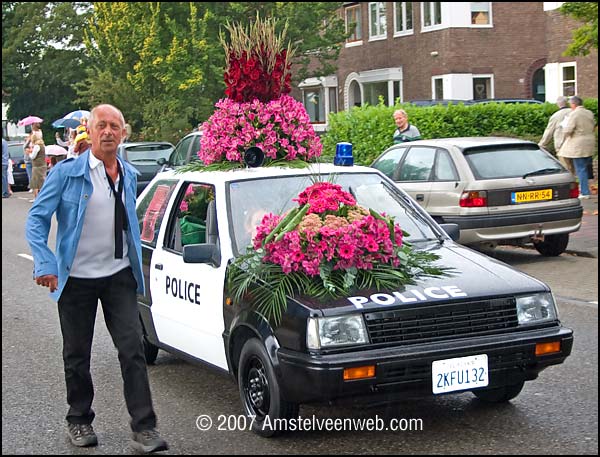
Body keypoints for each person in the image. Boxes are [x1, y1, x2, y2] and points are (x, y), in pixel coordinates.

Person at [25, 104, 168, 453]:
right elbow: (36, 220)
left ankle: (145, 428)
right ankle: (79, 421)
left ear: (123, 133)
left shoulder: (129, 174)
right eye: (101, 125)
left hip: (118, 275)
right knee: (77, 354)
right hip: (76, 279)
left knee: (133, 350)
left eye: (114, 126)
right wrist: (45, 262)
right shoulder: (67, 174)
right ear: (89, 130)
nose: (107, 132)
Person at [559, 96, 596, 199]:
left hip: (578, 145)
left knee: (580, 168)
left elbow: (568, 130)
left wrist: (564, 129)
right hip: (590, 143)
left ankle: (584, 192)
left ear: (573, 104)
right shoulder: (589, 113)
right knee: (586, 167)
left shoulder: (574, 114)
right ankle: (585, 189)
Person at [538, 96, 573, 174]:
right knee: (576, 167)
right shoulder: (574, 112)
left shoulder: (556, 116)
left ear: (558, 104)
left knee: (566, 167)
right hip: (574, 143)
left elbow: (549, 131)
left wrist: (542, 144)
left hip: (561, 144)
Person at [29, 123, 47, 202]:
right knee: (42, 182)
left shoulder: (37, 146)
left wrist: (29, 153)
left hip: (37, 166)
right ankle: (42, 197)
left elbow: (33, 156)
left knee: (35, 183)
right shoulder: (42, 145)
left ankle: (36, 198)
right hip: (43, 165)